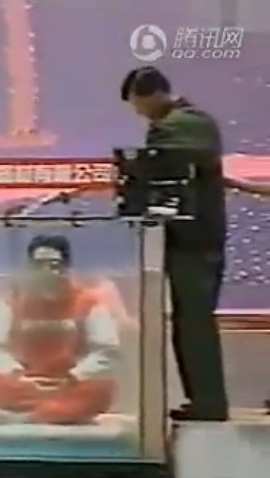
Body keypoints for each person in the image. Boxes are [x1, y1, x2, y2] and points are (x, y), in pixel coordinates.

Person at [121, 66, 235, 421]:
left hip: (193, 239)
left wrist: (132, 179)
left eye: (139, 105)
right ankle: (204, 400)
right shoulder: (196, 121)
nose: (139, 113)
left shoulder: (177, 125)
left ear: (153, 94)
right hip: (198, 238)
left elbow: (159, 173)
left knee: (194, 322)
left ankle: (208, 402)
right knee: (191, 320)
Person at [0, 235, 120, 425]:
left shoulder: (88, 301)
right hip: (27, 384)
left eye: (54, 265)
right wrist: (17, 375)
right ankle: (55, 413)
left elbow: (107, 351)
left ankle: (29, 417)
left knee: (101, 389)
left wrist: (74, 377)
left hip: (72, 384)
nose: (46, 272)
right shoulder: (12, 301)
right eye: (38, 265)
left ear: (66, 269)